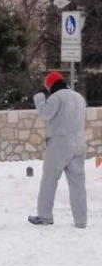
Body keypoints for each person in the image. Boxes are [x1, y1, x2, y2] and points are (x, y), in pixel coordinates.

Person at [29, 72, 88, 228]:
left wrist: (39, 97)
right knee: (78, 184)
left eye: (47, 87)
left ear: (51, 85)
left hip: (60, 144)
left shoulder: (57, 97)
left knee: (49, 179)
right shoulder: (79, 98)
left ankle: (44, 216)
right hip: (79, 144)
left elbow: (45, 113)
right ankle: (81, 220)